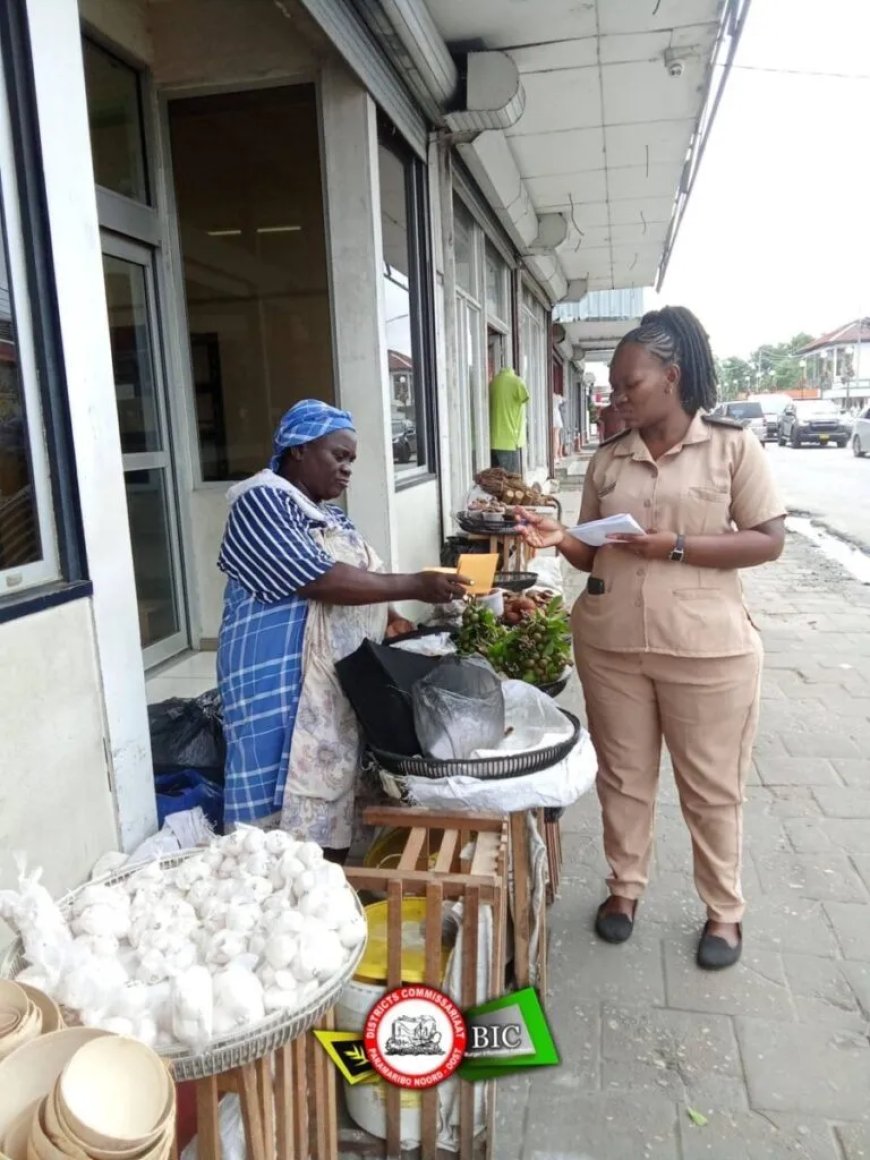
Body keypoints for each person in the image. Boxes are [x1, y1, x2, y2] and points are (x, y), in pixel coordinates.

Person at [517, 307, 785, 970]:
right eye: (611, 384)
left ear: (672, 376)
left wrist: (676, 546)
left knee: (710, 787)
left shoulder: (731, 447)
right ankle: (624, 889)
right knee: (625, 778)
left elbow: (768, 540)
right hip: (613, 648)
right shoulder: (610, 459)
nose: (617, 395)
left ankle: (724, 910)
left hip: (708, 652)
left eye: (629, 382)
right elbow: (588, 553)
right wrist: (559, 539)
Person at [216, 399, 469, 859]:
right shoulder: (260, 500)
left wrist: (390, 613)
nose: (347, 468)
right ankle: (271, 892)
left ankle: (322, 886)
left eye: (352, 459)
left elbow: (358, 569)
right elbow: (320, 577)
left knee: (320, 786)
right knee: (276, 789)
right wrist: (415, 583)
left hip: (326, 679)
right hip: (277, 677)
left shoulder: (329, 514)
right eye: (339, 456)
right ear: (298, 449)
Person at [489, 367, 530, 473]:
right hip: (510, 440)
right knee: (511, 481)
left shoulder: (493, 383)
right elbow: (526, 399)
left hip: (493, 440)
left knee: (497, 481)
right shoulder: (517, 382)